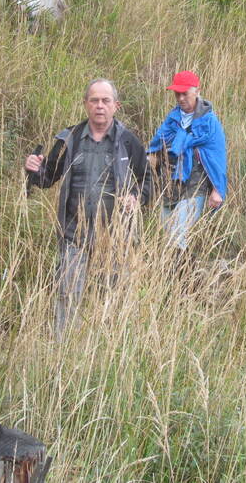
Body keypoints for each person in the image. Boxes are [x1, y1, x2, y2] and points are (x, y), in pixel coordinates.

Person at [25, 79, 151, 340]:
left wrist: (136, 197)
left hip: (114, 236)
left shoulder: (128, 142)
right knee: (67, 293)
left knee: (113, 296)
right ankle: (63, 348)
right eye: (94, 100)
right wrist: (34, 169)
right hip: (73, 234)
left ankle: (107, 349)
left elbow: (148, 179)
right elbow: (47, 178)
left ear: (116, 106)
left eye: (105, 101)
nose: (99, 106)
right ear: (85, 104)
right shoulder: (69, 139)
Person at [147, 71, 227, 257]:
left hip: (195, 185)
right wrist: (149, 159)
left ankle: (180, 271)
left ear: (197, 91)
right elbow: (157, 146)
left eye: (185, 93)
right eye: (177, 94)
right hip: (169, 183)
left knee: (177, 234)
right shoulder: (172, 119)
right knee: (168, 236)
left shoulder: (209, 122)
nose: (180, 98)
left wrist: (217, 190)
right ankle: (183, 271)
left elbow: (217, 157)